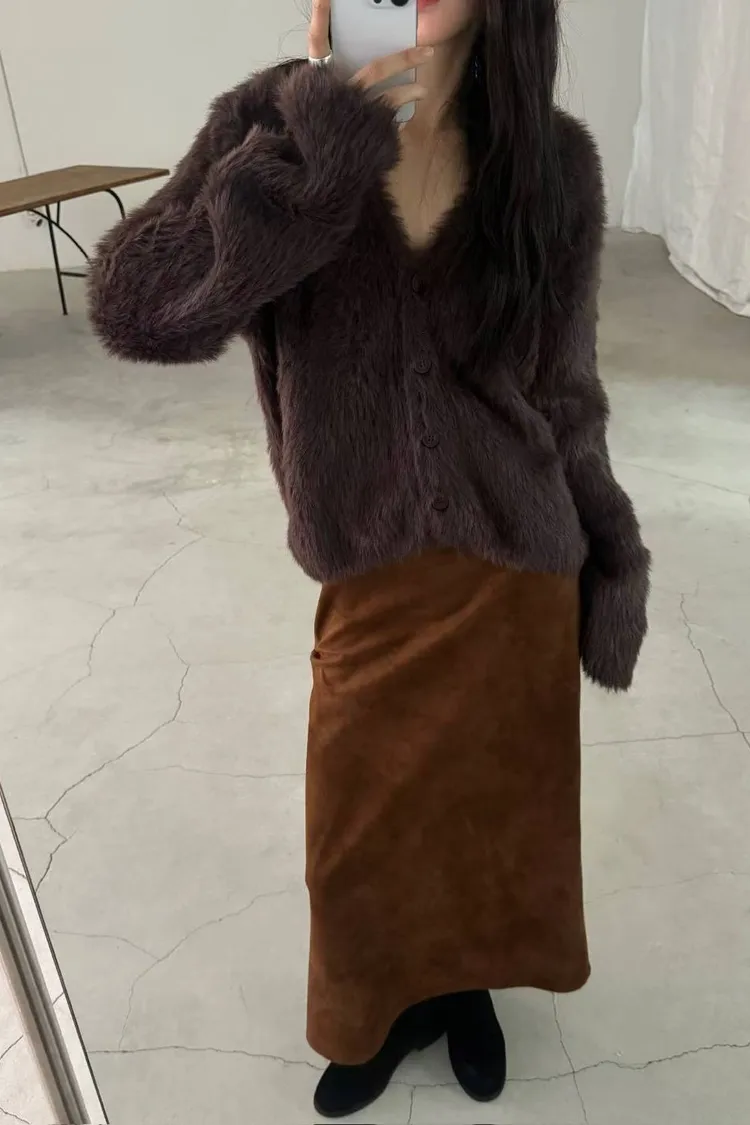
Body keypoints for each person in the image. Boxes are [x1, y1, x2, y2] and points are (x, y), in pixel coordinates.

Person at [88, 0, 651, 1116]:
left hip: (516, 575)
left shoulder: (552, 163)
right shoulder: (271, 127)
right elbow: (139, 310)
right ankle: (375, 1008)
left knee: (491, 816)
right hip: (372, 577)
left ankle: (464, 990)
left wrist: (611, 550)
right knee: (359, 832)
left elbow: (565, 389)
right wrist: (318, 154)